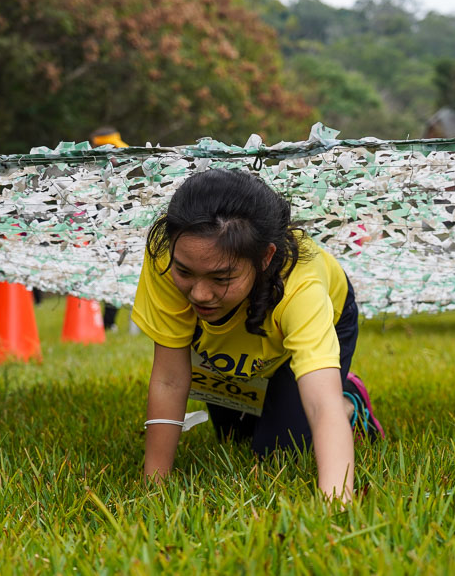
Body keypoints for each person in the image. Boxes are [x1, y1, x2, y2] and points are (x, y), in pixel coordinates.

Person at [131, 169, 383, 503]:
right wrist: (154, 486)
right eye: (185, 273)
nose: (200, 294)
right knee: (233, 436)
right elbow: (169, 380)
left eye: (221, 278)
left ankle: (349, 399)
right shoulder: (169, 253)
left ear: (265, 258)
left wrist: (336, 504)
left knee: (278, 453)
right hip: (230, 335)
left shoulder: (302, 288)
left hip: (320, 323)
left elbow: (321, 405)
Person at [90, 126, 130, 330]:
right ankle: (97, 321)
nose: (117, 159)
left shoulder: (116, 180)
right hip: (93, 238)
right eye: (113, 152)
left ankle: (108, 323)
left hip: (114, 237)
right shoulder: (89, 179)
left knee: (116, 276)